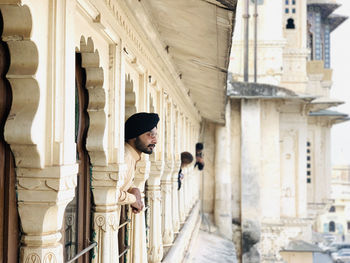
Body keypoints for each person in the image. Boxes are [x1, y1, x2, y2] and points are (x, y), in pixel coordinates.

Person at [118, 112, 159, 214]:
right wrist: (133, 199)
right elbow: (108, 193)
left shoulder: (131, 156)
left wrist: (133, 189)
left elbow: (120, 183)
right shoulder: (125, 157)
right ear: (134, 135)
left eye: (155, 135)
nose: (155, 141)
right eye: (151, 135)